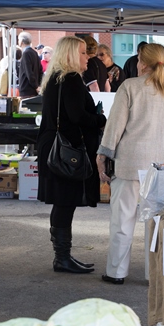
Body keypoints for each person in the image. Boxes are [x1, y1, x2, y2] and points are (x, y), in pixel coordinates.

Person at [96, 43, 164, 285]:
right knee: (160, 222)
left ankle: (116, 272)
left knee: (123, 219)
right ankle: (156, 275)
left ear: (142, 62)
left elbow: (114, 127)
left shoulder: (130, 86)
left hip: (132, 163)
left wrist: (102, 155)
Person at [36, 36, 107, 274]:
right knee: (65, 201)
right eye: (84, 53)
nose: (88, 57)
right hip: (67, 150)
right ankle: (62, 257)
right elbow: (78, 117)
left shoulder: (55, 78)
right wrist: (100, 119)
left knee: (62, 201)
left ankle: (62, 256)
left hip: (54, 146)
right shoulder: (71, 79)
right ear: (71, 55)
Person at [18, 31, 42, 98]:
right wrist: (38, 85)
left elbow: (29, 72)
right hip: (33, 89)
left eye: (18, 39)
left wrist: (36, 86)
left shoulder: (26, 54)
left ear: (21, 41)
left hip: (27, 89)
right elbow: (40, 70)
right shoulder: (34, 53)